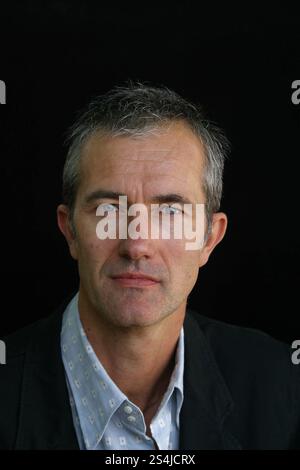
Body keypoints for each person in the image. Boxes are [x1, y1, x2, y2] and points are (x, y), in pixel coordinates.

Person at [0, 82, 299, 450]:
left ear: (209, 238)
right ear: (70, 231)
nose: (137, 244)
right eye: (109, 209)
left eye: (171, 212)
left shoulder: (283, 387)